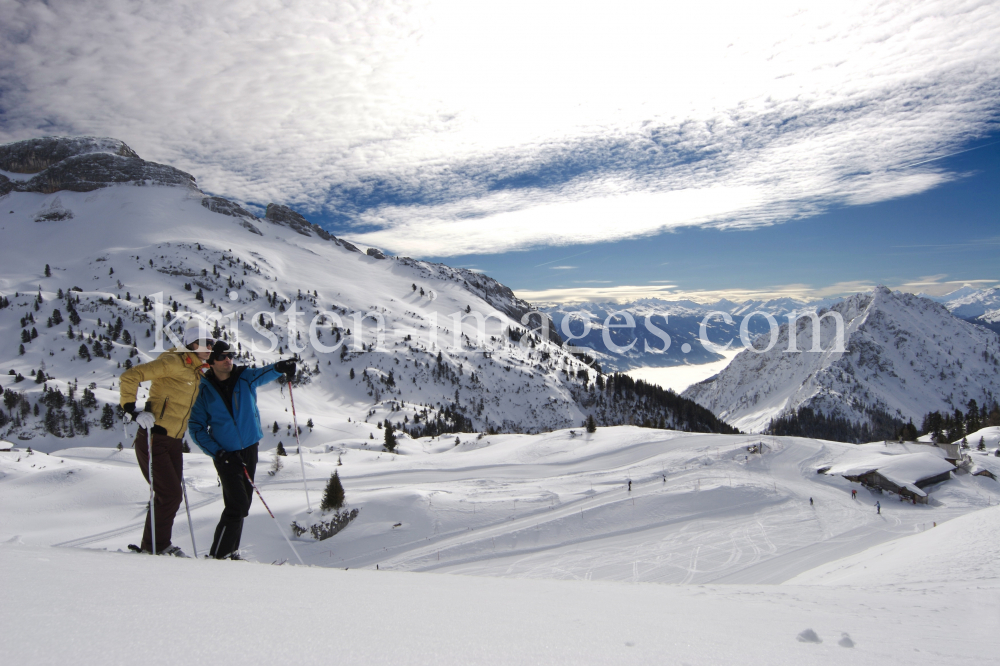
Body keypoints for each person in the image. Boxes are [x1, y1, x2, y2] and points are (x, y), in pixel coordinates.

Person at [188, 341, 296, 559]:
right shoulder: (203, 391)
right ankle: (219, 555)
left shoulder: (244, 377)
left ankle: (229, 552)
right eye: (222, 357)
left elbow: (263, 373)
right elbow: (197, 428)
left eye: (230, 355)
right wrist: (218, 453)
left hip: (249, 449)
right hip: (226, 455)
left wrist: (281, 367)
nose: (228, 359)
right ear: (211, 362)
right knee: (237, 505)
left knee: (242, 505)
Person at [120, 322, 214, 556]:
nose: (208, 347)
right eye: (203, 343)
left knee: (169, 495)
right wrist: (132, 411)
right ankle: (157, 546)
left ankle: (154, 545)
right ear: (190, 345)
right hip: (155, 436)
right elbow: (132, 375)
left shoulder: (197, 369)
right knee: (169, 494)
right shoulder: (173, 361)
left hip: (174, 440)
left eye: (211, 343)